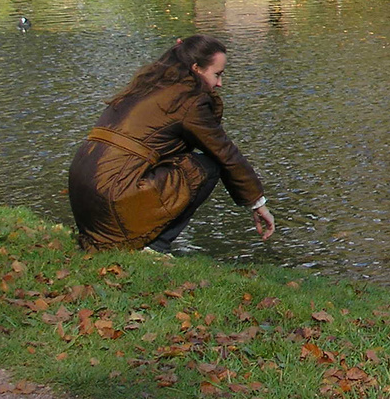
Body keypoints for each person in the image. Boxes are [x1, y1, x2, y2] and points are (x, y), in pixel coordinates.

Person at [69, 35, 275, 252]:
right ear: (196, 68)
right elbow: (225, 152)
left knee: (182, 162)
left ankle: (138, 238)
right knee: (208, 166)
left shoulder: (149, 86)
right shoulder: (187, 99)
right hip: (112, 195)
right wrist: (257, 202)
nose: (220, 84)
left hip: (86, 193)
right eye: (217, 75)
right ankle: (155, 247)